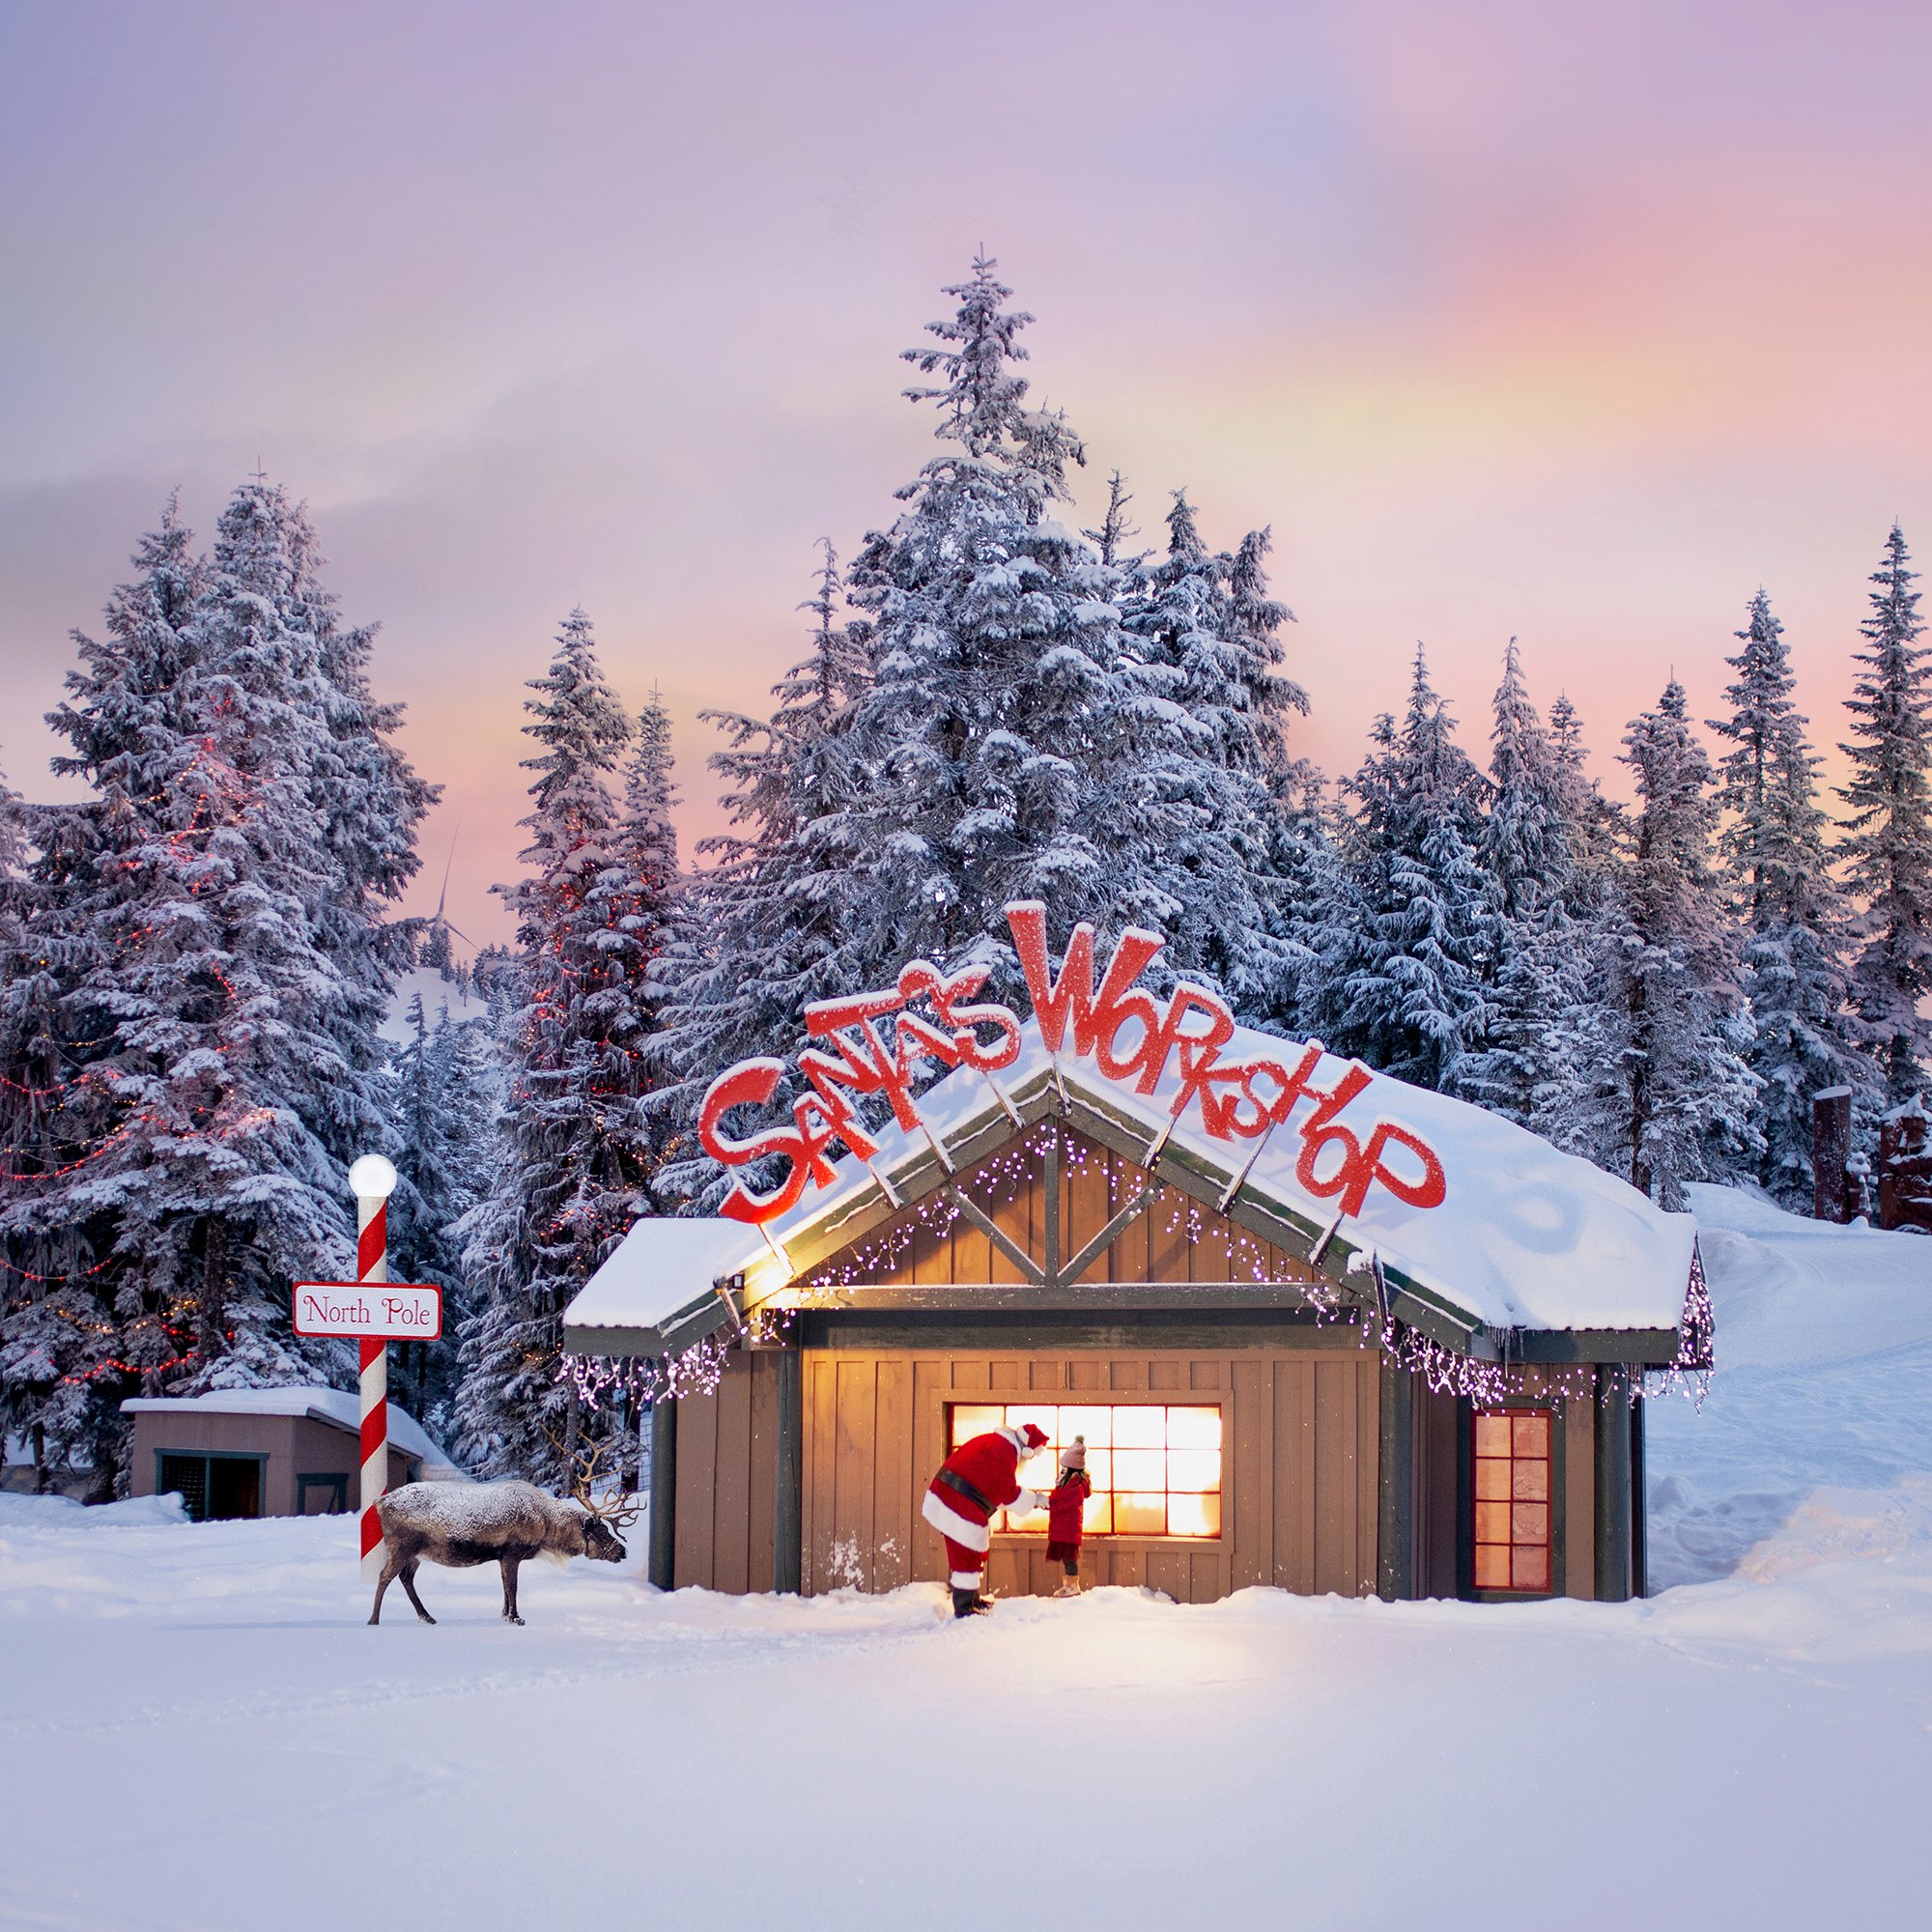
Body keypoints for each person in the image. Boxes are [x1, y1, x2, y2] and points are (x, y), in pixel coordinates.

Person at [923, 1420, 1049, 1616]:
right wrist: (1035, 1499)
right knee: (965, 1555)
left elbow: (995, 1490)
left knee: (971, 1553)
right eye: (1031, 1456)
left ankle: (971, 1599)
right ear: (1027, 1451)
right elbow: (1007, 1493)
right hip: (956, 1502)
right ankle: (964, 1607)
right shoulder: (1004, 1452)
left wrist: (1032, 1499)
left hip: (955, 1498)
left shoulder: (997, 1443)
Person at [1046, 1435, 1092, 1596]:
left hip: (1068, 1527)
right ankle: (1069, 1586)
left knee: (1069, 1558)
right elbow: (1059, 1499)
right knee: (1067, 1558)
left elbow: (1063, 1502)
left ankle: (1072, 1587)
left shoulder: (1075, 1485)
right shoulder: (1068, 1481)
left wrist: (1048, 1503)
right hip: (1064, 1526)